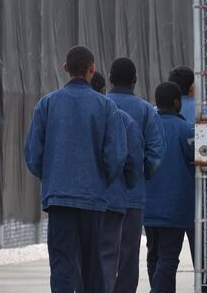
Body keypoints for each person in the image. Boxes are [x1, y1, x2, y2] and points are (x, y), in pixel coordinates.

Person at [24, 45, 127, 293]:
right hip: (92, 198)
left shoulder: (46, 104)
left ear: (65, 68)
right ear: (92, 69)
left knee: (62, 264)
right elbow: (116, 156)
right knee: (93, 265)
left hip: (59, 197)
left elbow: (33, 154)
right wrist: (101, 179)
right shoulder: (106, 107)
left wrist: (52, 176)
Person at [107, 58, 165, 293]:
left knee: (103, 251)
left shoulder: (101, 105)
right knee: (129, 253)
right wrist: (144, 174)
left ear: (110, 78)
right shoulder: (145, 110)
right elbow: (156, 151)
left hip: (104, 193)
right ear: (135, 80)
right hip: (133, 194)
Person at [167, 66, 207, 293]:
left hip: (168, 191)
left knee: (165, 251)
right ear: (192, 88)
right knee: (201, 244)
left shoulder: (157, 113)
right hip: (199, 190)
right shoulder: (206, 111)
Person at [90, 72, 144, 293]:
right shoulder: (122, 117)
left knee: (79, 256)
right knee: (109, 255)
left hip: (77, 199)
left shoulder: (59, 111)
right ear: (104, 90)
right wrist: (122, 183)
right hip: (112, 197)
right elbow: (132, 159)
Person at [144, 81, 196, 293]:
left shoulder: (146, 128)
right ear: (177, 103)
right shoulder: (186, 130)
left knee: (153, 253)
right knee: (168, 256)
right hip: (176, 206)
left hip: (148, 203)